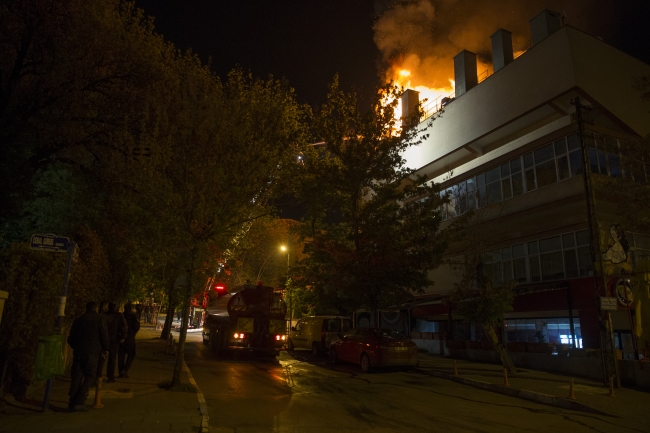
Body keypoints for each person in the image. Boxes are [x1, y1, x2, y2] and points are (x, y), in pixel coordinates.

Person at [67, 301, 109, 412]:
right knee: (90, 376)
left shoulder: (78, 320)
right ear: (95, 309)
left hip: (79, 353)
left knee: (76, 377)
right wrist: (105, 348)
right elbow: (104, 335)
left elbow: (71, 338)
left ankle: (72, 402)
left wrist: (77, 347)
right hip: (92, 353)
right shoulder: (99, 319)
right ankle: (80, 401)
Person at [96, 301, 127, 383]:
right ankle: (110, 377)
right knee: (112, 359)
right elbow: (123, 326)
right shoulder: (118, 316)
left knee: (102, 358)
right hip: (114, 339)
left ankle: (98, 376)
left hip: (104, 339)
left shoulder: (103, 315)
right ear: (115, 307)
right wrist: (123, 336)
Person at [118, 303, 140, 378]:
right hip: (130, 338)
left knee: (121, 355)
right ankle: (124, 370)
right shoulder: (133, 316)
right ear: (130, 308)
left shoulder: (121, 316)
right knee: (131, 354)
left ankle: (121, 371)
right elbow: (137, 326)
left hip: (121, 338)